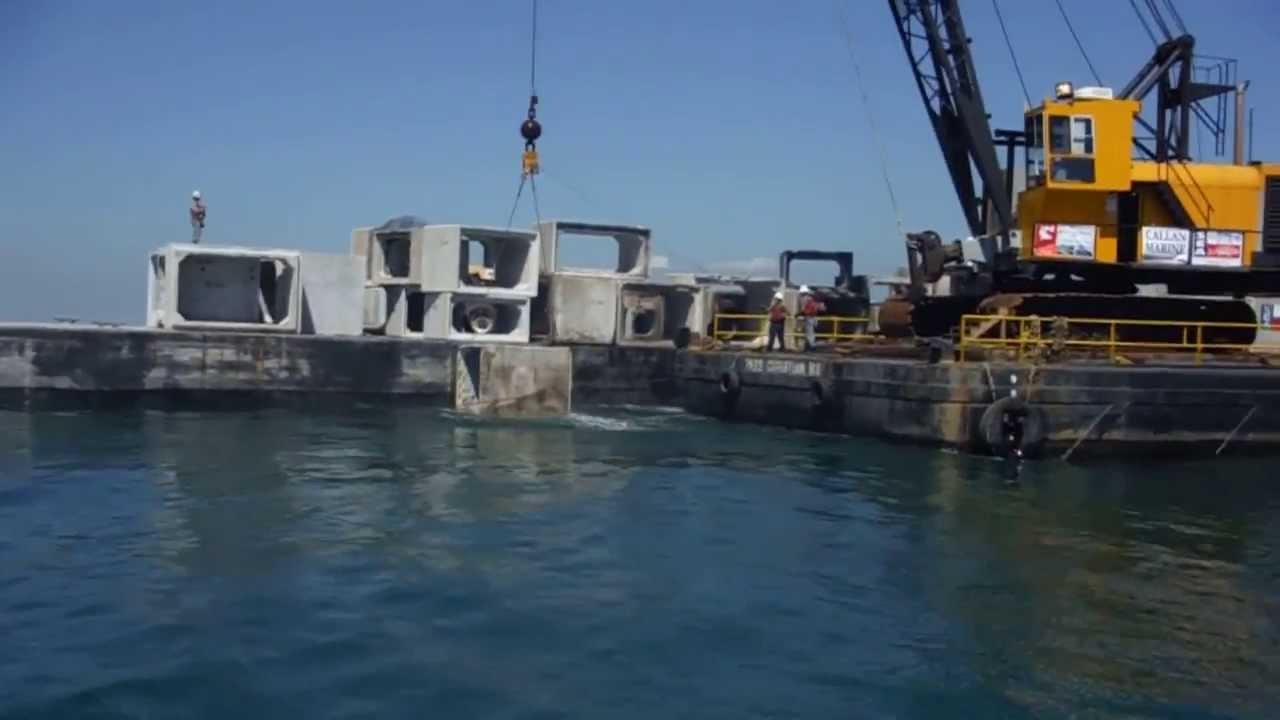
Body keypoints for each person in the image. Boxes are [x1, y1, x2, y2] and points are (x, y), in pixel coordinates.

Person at [798, 285, 825, 352]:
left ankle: (812, 346)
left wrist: (799, 314)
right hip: (814, 318)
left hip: (809, 317)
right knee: (809, 333)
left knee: (809, 333)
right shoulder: (813, 299)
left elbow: (804, 310)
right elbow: (821, 308)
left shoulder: (805, 299)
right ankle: (807, 347)